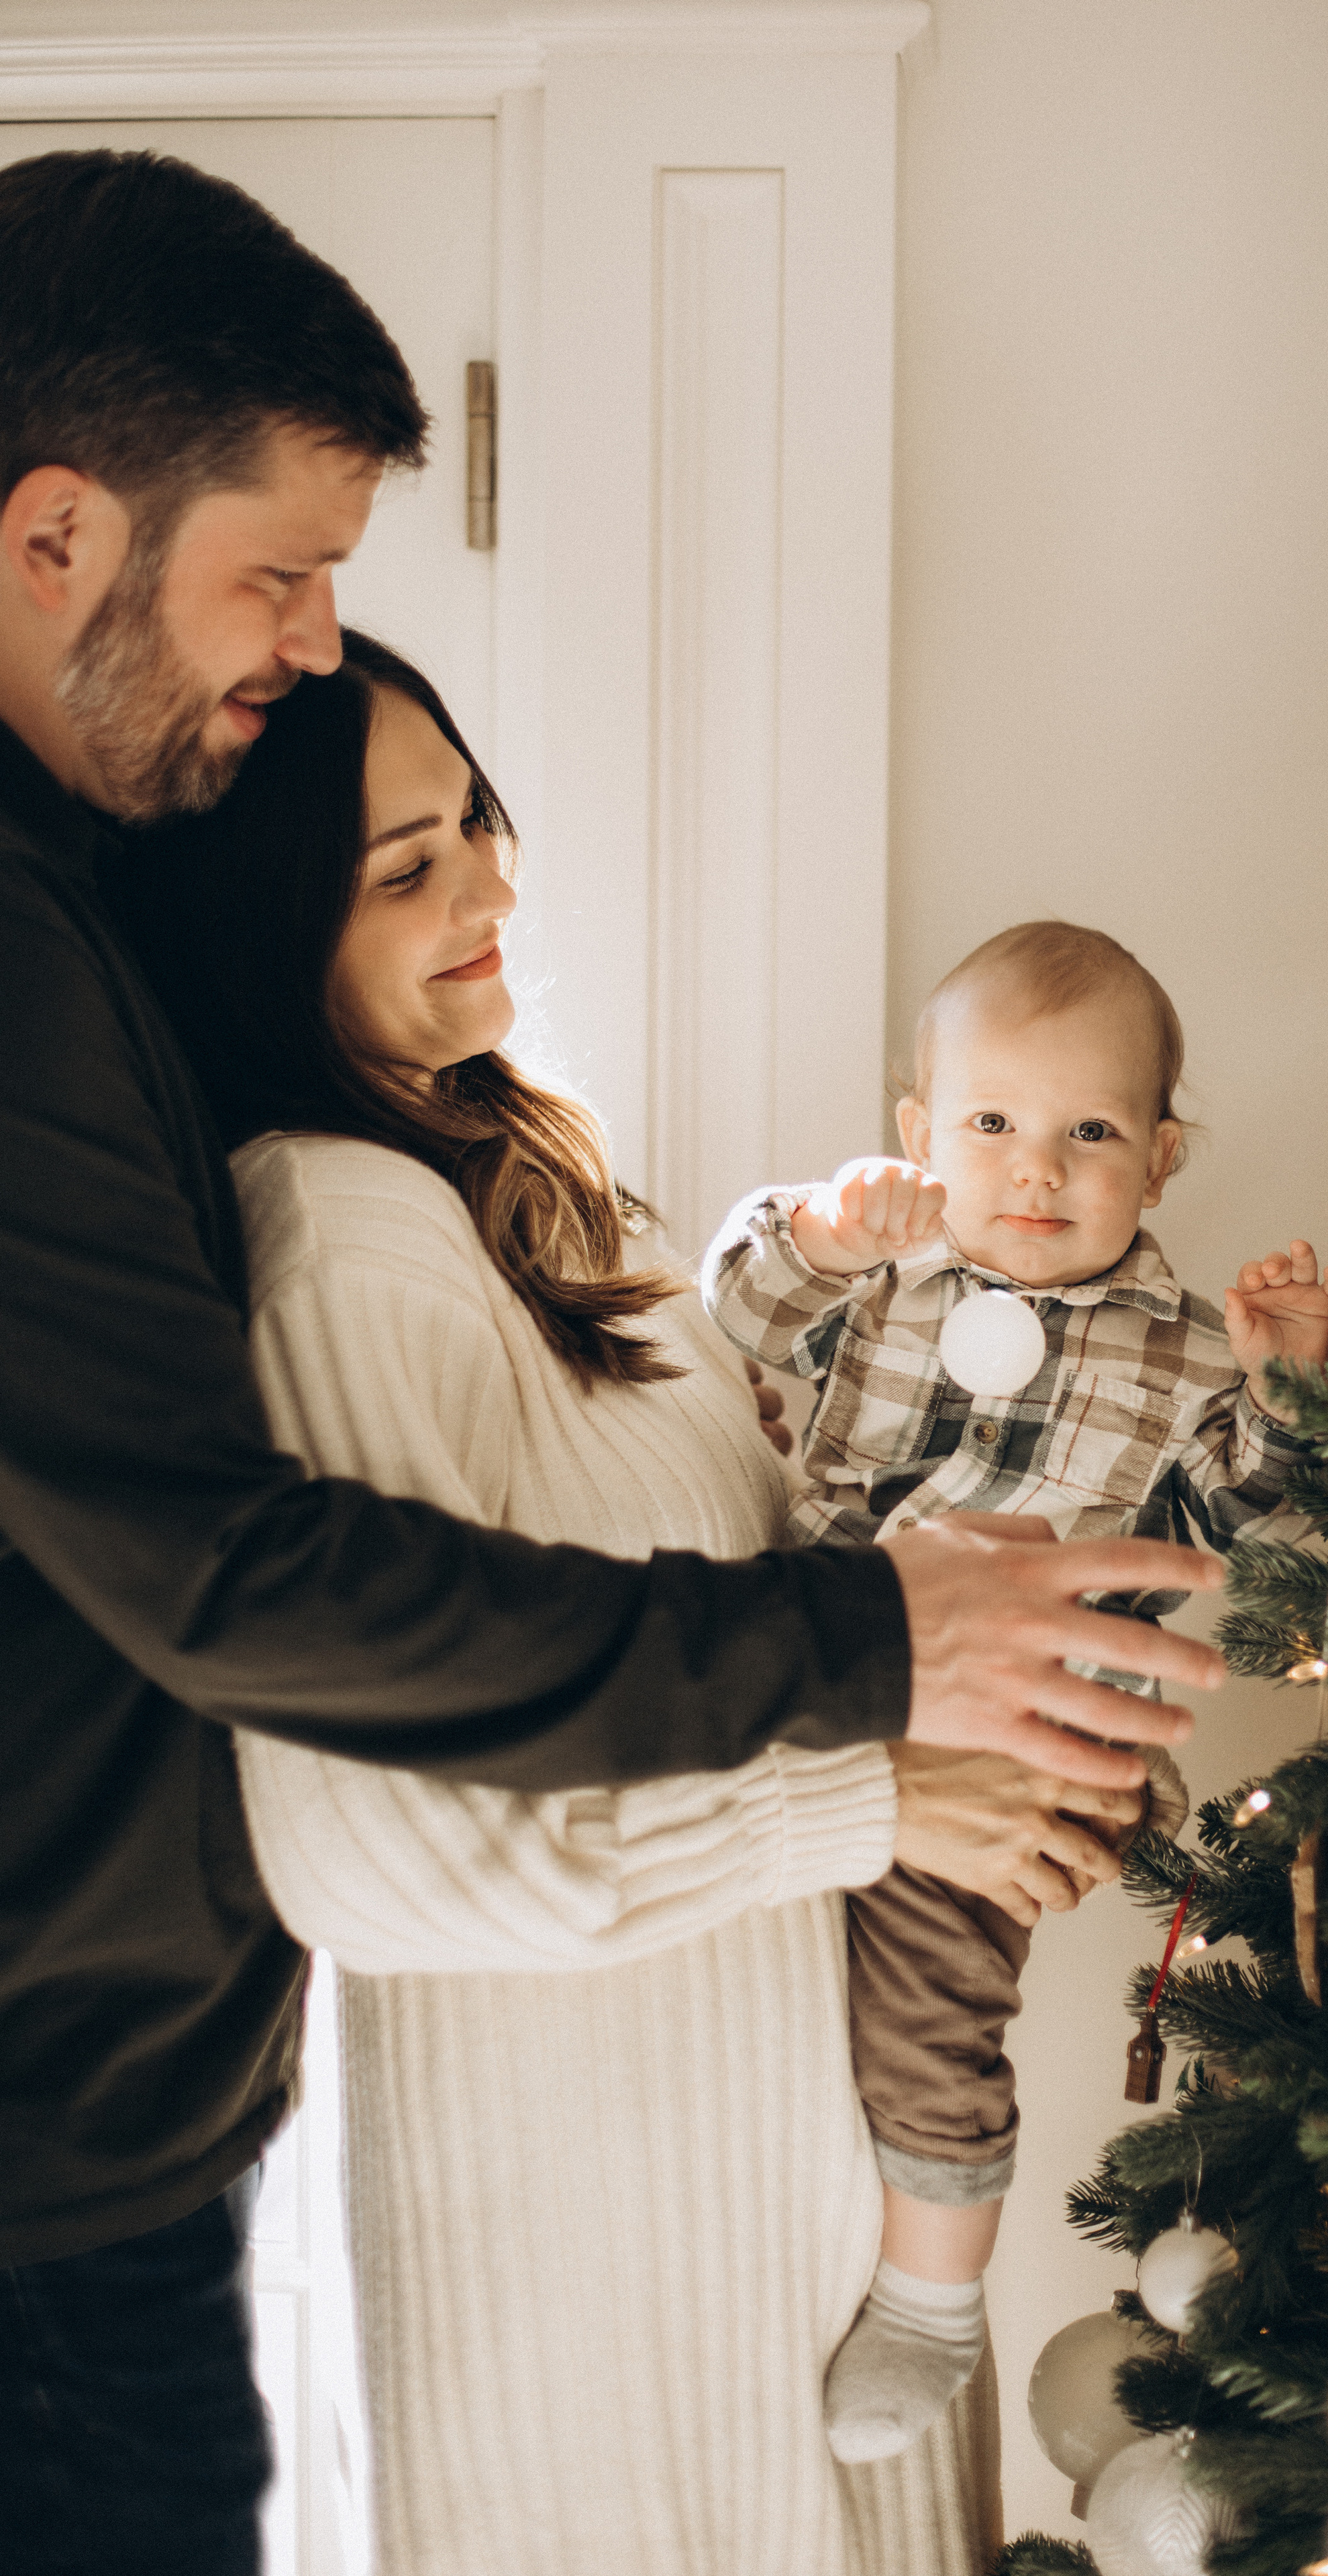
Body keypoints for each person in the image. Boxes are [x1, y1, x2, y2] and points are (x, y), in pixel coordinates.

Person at [0, 150, 1229, 2573]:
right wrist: (879, 1698)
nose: (313, 641)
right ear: (56, 535)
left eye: (478, 826)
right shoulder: (298, 1195)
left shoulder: (475, 1172)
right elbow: (263, 1639)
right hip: (206, 2184)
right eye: (281, 574)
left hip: (345, 2154)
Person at [116, 633, 1176, 2575]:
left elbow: (739, 1628)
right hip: (602, 2319)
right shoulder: (339, 1235)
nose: (488, 891)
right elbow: (379, 1852)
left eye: (476, 826)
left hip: (807, 2253)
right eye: (407, 868)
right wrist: (884, 1798)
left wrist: (1001, 1741)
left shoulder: (535, 1195)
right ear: (269, 929)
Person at [704, 920, 1328, 2462]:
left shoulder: (1186, 1351)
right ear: (921, 1132)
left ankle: (933, 2297)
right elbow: (730, 1319)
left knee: (934, 1988)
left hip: (1028, 1722)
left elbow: (1231, 1520)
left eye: (1090, 1134)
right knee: (779, 1963)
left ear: (1160, 1157)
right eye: (990, 1123)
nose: (1036, 1171)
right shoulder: (878, 1277)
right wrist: (818, 1236)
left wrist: (1283, 1392)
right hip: (842, 1662)